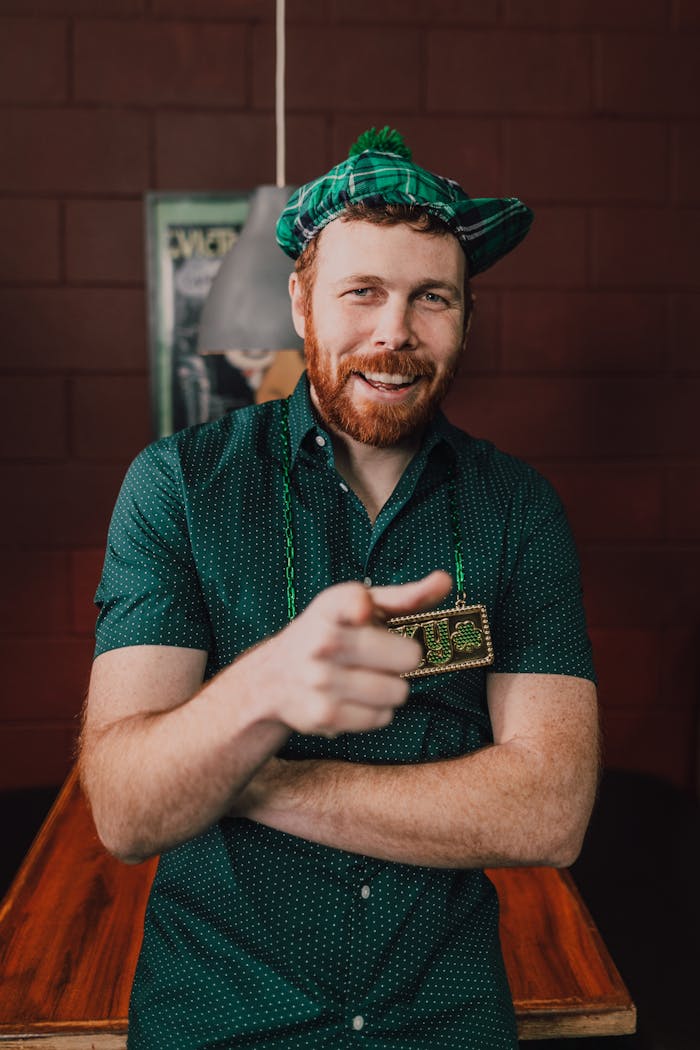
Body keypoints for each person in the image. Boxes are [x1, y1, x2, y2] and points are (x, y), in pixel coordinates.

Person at [80, 127, 599, 1049]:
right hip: (221, 1014)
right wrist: (267, 685)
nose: (394, 333)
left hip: (442, 1018)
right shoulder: (181, 488)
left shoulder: (518, 510)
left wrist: (232, 774)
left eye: (430, 297)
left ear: (466, 318)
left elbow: (551, 810)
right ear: (301, 303)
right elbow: (125, 808)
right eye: (361, 293)